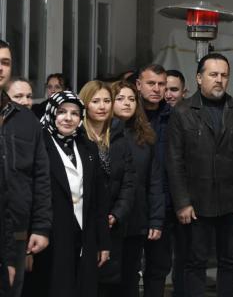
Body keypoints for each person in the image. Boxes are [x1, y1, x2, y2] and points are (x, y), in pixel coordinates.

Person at [166, 53, 233, 297]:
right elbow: (174, 162)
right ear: (199, 78)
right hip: (195, 203)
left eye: (224, 75)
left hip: (232, 202)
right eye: (213, 74)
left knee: (229, 261)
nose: (219, 79)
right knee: (195, 262)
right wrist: (182, 202)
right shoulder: (182, 112)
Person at [25, 90, 111, 297]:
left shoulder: (88, 147)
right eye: (62, 112)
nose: (68, 118)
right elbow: (28, 197)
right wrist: (25, 247)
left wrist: (103, 242)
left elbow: (99, 200)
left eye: (74, 113)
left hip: (85, 237)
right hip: (50, 238)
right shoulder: (38, 145)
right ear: (51, 113)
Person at [0, 42, 51, 297]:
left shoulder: (26, 119)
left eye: (5, 62)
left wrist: (41, 226)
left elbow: (40, 176)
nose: (0, 68)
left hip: (16, 230)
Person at [78, 80, 136, 296]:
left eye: (107, 101)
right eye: (95, 101)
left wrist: (117, 214)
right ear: (85, 104)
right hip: (83, 220)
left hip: (113, 221)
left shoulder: (119, 136)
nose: (102, 106)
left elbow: (129, 181)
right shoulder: (77, 136)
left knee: (109, 282)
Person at [110, 80, 165, 297]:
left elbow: (155, 181)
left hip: (136, 219)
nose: (127, 103)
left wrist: (156, 220)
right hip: (109, 219)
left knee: (130, 277)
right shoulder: (100, 135)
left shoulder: (145, 137)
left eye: (132, 99)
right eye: (120, 98)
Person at [135, 63, 178, 297]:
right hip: (133, 203)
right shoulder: (128, 114)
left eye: (161, 84)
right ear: (138, 85)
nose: (156, 89)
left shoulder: (174, 117)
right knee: (128, 267)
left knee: (159, 266)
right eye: (151, 83)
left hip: (164, 203)